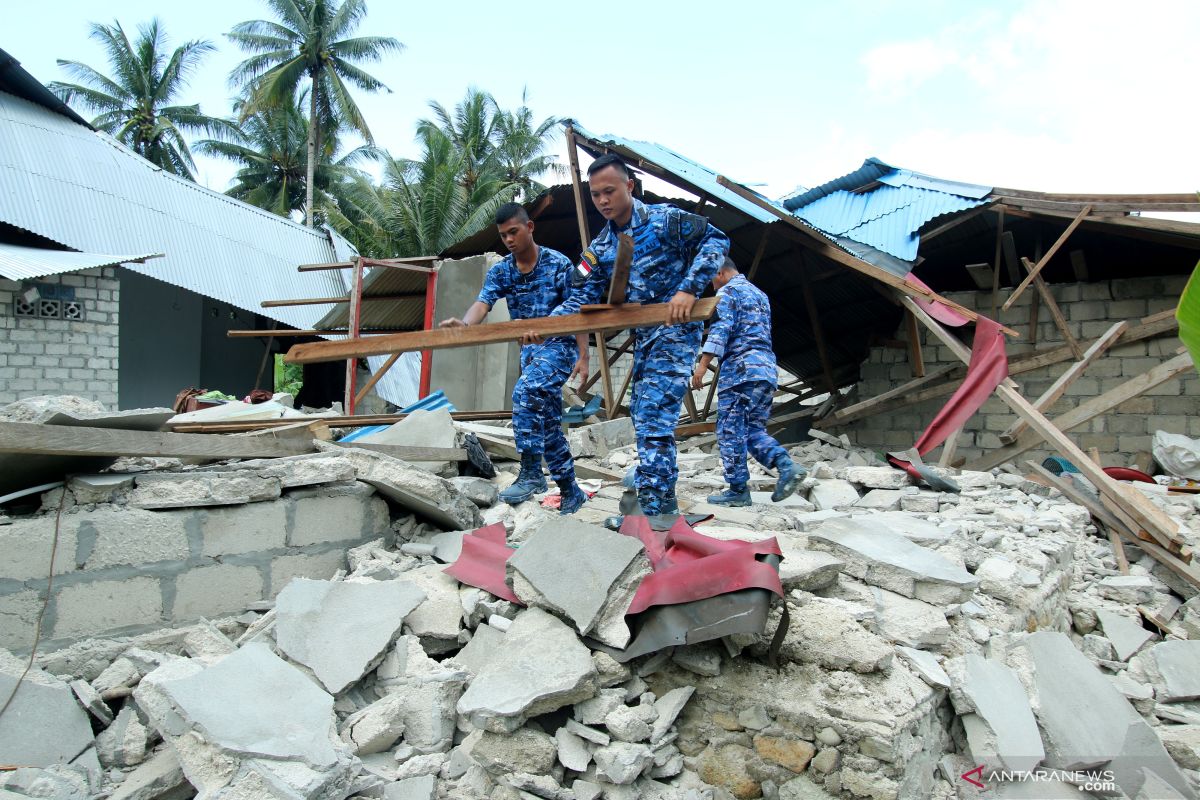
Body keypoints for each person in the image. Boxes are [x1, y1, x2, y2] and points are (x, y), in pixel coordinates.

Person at [584, 154, 730, 516]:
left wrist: (689, 288)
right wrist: (546, 323)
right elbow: (579, 288)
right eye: (595, 194)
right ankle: (659, 496)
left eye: (609, 191)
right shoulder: (601, 247)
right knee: (645, 416)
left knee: (652, 413)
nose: (603, 200)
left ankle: (656, 506)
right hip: (644, 339)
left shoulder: (666, 219)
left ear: (629, 186)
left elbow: (716, 240)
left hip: (676, 333)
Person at [439, 202, 599, 513]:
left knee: (525, 394)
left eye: (514, 232)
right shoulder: (502, 271)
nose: (509, 240)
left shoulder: (557, 264)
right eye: (503, 236)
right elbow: (483, 302)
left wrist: (583, 355)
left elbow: (578, 308)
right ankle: (570, 491)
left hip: (558, 347)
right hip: (529, 352)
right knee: (549, 424)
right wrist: (465, 324)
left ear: (529, 228)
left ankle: (530, 472)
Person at [691, 258, 805, 506]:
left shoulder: (728, 291)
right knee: (752, 430)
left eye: (712, 278)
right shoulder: (760, 294)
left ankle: (737, 491)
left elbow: (721, 330)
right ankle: (787, 467)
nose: (712, 284)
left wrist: (702, 365)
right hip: (765, 370)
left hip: (741, 373)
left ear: (720, 272)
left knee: (729, 431)